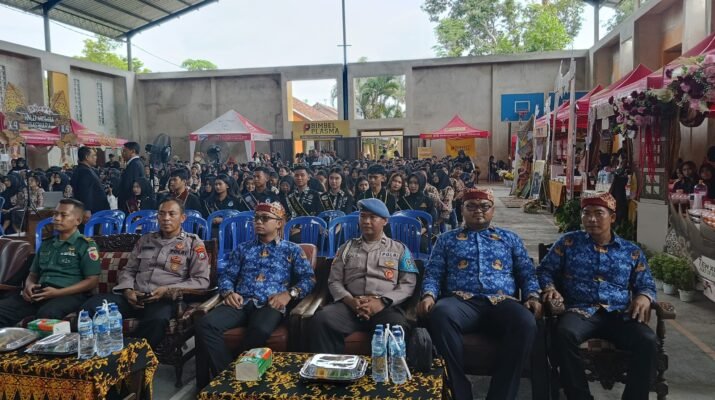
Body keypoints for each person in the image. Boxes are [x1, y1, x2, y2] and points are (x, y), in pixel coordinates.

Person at [418, 188, 541, 400]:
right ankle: (460, 393)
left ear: (493, 210)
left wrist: (532, 296)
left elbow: (526, 272)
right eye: (471, 206)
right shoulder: (446, 239)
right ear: (462, 210)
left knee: (526, 322)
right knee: (440, 314)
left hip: (502, 302)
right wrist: (428, 294)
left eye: (484, 206)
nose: (478, 211)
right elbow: (434, 272)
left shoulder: (509, 238)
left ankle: (501, 395)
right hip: (461, 302)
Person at [539, 192, 657, 400]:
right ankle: (579, 396)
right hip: (580, 311)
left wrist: (644, 297)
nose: (591, 219)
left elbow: (646, 283)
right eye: (586, 213)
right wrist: (550, 288)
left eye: (598, 213)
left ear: (612, 217)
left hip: (619, 314)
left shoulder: (631, 251)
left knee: (647, 340)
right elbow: (544, 270)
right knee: (564, 333)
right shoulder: (569, 243)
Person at [195, 202, 315, 388]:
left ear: (279, 223)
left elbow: (308, 279)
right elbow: (226, 276)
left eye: (265, 218)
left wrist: (289, 294)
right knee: (205, 324)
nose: (258, 222)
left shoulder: (292, 249)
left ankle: (231, 379)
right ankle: (229, 379)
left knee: (260, 329)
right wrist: (228, 292)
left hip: (270, 304)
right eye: (256, 218)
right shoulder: (242, 248)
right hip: (240, 302)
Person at [82, 198, 210, 348]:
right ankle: (96, 352)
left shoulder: (193, 243)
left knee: (157, 320)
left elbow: (201, 280)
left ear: (182, 218)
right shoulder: (145, 240)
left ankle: (133, 356)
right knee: (92, 306)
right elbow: (129, 270)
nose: (166, 218)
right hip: (134, 296)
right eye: (162, 214)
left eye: (171, 214)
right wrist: (127, 290)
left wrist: (168, 290)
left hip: (163, 299)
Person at [309, 198, 418, 353]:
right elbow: (334, 281)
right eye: (363, 216)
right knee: (322, 320)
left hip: (384, 307)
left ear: (385, 221)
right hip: (350, 306)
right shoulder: (346, 248)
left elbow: (408, 284)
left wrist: (382, 302)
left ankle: (384, 369)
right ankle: (331, 368)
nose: (366, 221)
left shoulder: (400, 249)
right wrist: (350, 301)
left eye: (372, 217)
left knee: (396, 327)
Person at [0, 199, 100, 326]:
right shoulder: (46, 244)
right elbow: (33, 274)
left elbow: (92, 281)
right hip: (40, 294)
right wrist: (28, 286)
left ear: (78, 220)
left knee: (47, 315)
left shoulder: (85, 245)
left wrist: (57, 293)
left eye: (63, 215)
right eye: (55, 214)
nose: (56, 218)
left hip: (69, 295)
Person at [71, 147, 110, 219]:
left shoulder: (84, 169)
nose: (96, 157)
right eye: (94, 155)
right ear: (87, 157)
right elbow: (85, 192)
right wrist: (87, 210)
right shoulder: (85, 171)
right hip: (94, 212)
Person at [118, 142, 146, 212]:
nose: (122, 153)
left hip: (129, 205)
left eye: (125, 151)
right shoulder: (137, 163)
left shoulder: (134, 164)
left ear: (133, 151)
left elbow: (129, 185)